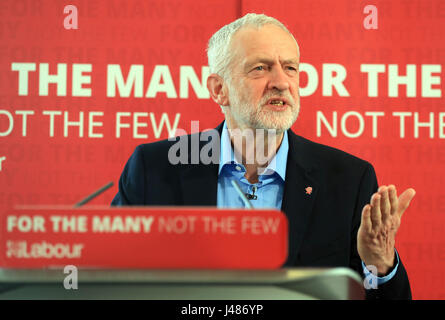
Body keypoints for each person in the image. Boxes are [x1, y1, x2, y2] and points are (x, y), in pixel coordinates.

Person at [111, 13, 415, 299]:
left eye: (290, 68)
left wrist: (380, 265)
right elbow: (110, 281)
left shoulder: (348, 179)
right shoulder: (156, 169)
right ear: (219, 89)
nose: (281, 82)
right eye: (261, 68)